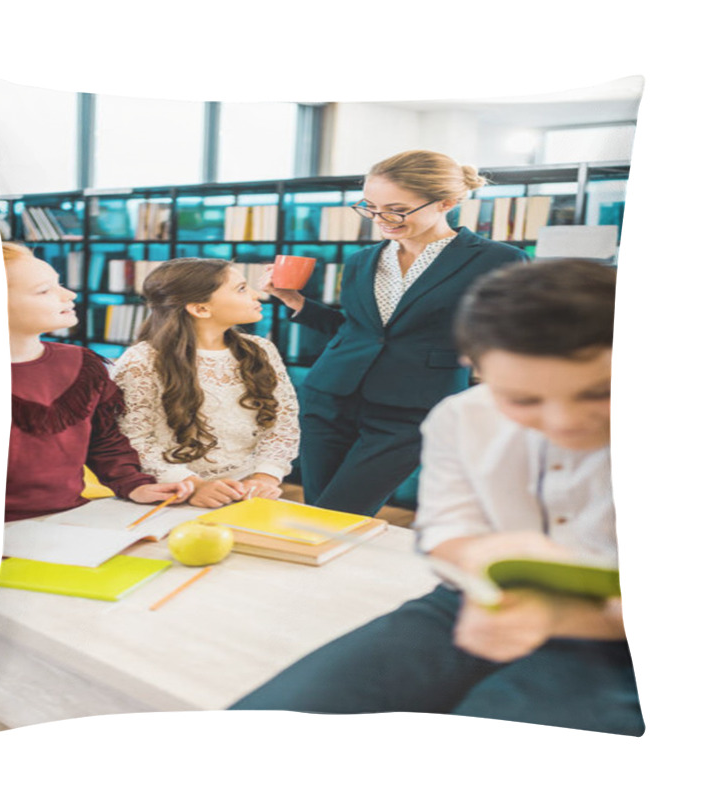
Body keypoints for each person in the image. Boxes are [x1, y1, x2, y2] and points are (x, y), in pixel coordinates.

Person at [232, 259, 645, 737]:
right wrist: (478, 558)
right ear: (473, 365)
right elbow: (446, 526)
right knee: (274, 720)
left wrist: (577, 614)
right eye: (524, 399)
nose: (563, 423)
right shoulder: (461, 416)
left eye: (600, 393)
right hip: (472, 599)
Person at [263, 149, 528, 517]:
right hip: (328, 399)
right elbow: (358, 332)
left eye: (397, 208)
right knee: (319, 513)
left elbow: (508, 337)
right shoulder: (361, 260)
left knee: (343, 512)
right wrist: (296, 302)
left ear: (446, 202)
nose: (380, 219)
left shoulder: (497, 260)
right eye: (370, 206)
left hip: (411, 408)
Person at [4, 242, 194, 522]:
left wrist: (136, 485)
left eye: (59, 284)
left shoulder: (81, 364)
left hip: (68, 519)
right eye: (44, 290)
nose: (69, 295)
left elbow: (105, 442)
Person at [113, 258, 300, 509]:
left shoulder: (261, 350)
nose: (257, 295)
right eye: (241, 288)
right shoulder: (142, 361)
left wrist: (264, 476)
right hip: (173, 492)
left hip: (247, 492)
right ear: (201, 309)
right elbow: (133, 439)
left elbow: (282, 424)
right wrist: (194, 486)